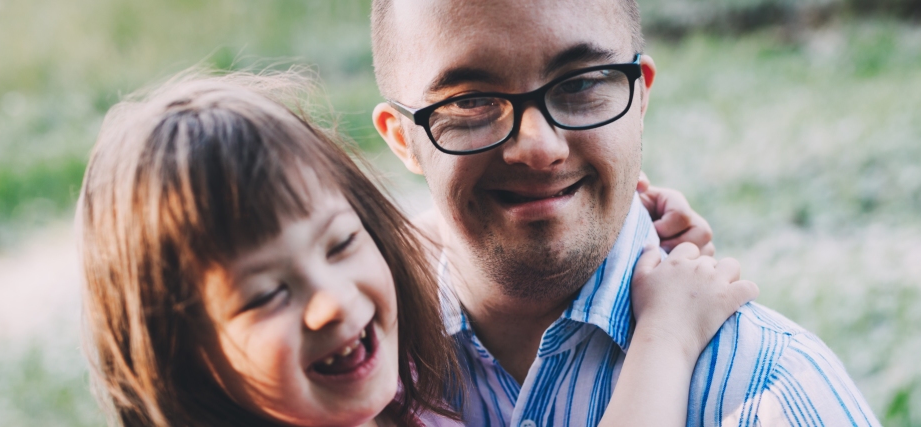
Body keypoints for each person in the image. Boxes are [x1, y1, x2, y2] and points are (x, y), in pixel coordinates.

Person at [76, 70, 758, 426]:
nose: (333, 300)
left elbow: (411, 234)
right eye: (267, 293)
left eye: (340, 243)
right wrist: (667, 333)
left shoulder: (357, 391)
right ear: (182, 356)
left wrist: (606, 216)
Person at [369, 0, 882, 425]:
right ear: (402, 139)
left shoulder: (774, 396)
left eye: (579, 84)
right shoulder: (354, 369)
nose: (539, 147)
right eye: (470, 102)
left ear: (638, 97)